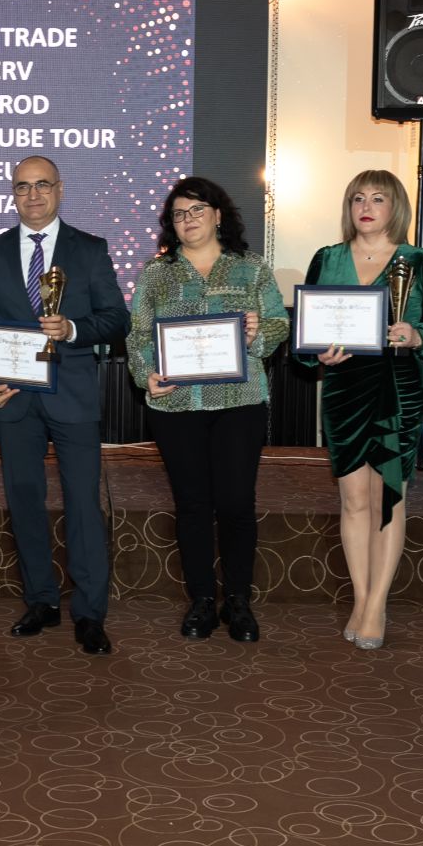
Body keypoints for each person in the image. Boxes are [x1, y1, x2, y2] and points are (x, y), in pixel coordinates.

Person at [0, 155, 128, 656]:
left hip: (72, 395)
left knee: (83, 505)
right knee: (24, 502)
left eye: (42, 185)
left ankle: (90, 613)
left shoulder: (90, 249)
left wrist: (73, 329)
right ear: (12, 195)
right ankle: (40, 601)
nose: (32, 195)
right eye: (22, 187)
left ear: (59, 190)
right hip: (13, 397)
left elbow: (116, 318)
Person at [126, 177, 288, 643]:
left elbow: (278, 322)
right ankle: (201, 601)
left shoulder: (251, 268)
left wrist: (259, 334)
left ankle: (238, 601)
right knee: (192, 504)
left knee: (236, 503)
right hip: (176, 404)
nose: (188, 220)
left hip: (239, 402)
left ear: (218, 215)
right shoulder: (156, 273)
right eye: (179, 214)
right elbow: (138, 335)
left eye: (197, 210)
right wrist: (145, 374)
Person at [302, 170, 423, 650]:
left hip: (396, 389)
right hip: (344, 389)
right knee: (353, 501)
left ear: (396, 207)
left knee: (387, 497)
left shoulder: (419, 260)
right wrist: (317, 354)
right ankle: (361, 598)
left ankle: (376, 606)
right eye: (357, 198)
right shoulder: (327, 258)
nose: (366, 207)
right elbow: (305, 333)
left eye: (378, 199)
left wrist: (417, 335)